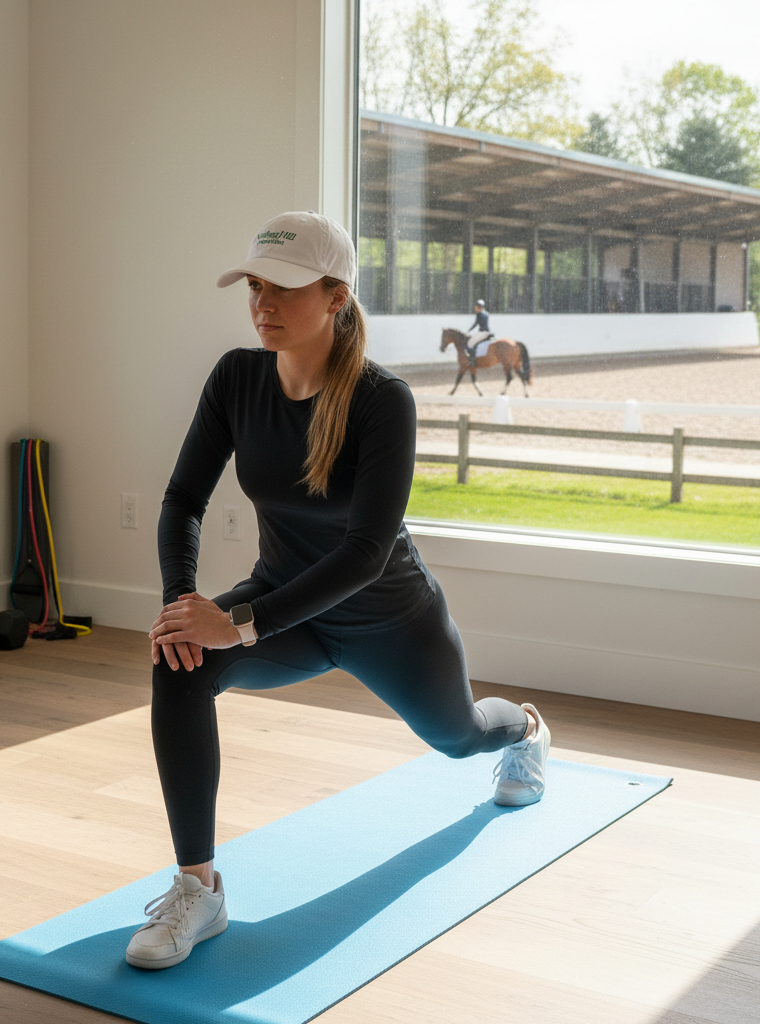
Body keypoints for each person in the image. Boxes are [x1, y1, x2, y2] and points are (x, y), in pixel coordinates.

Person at [127, 212, 550, 971]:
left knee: (458, 738)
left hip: (389, 618)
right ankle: (200, 888)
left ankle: (522, 730)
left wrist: (242, 623)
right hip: (290, 605)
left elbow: (364, 552)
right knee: (179, 660)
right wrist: (183, 606)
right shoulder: (236, 377)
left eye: (284, 288)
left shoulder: (383, 400)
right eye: (256, 286)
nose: (264, 304)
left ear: (335, 297)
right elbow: (183, 498)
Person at [465, 299, 493, 366]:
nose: (475, 308)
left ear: (479, 307)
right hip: (487, 332)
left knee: (470, 344)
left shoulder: (479, 314)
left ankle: (472, 361)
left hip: (482, 333)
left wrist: (468, 331)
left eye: (477, 307)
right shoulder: (486, 313)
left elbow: (475, 324)